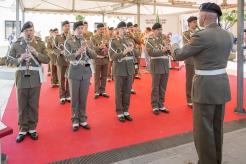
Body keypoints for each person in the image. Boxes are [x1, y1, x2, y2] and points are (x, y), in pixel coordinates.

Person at [172, 3, 233, 164]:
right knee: (217, 128)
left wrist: (173, 43)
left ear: (204, 16)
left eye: (199, 15)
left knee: (203, 131)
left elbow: (179, 55)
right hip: (221, 85)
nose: (198, 18)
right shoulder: (227, 34)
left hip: (205, 88)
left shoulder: (201, 35)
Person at [7, 21, 50, 142]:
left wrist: (36, 53)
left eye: (31, 30)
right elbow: (9, 61)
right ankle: (22, 129)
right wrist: (20, 58)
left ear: (34, 31)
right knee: (22, 105)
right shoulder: (16, 44)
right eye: (26, 31)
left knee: (33, 104)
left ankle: (32, 128)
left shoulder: (40, 43)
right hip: (21, 77)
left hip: (35, 78)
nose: (29, 33)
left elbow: (47, 59)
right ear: (23, 32)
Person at [64, 21, 97, 131]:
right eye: (78, 28)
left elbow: (94, 55)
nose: (80, 30)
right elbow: (67, 57)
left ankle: (82, 119)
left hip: (86, 72)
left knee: (83, 97)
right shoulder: (68, 41)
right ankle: (75, 120)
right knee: (74, 98)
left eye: (82, 28)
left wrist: (87, 48)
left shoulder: (87, 41)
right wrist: (78, 52)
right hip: (74, 72)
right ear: (74, 30)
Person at [109, 21, 135, 122]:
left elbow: (136, 53)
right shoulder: (113, 41)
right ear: (118, 30)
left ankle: (126, 110)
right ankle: (119, 112)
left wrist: (132, 50)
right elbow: (112, 56)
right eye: (122, 28)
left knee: (127, 91)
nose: (124, 30)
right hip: (119, 69)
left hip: (129, 69)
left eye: (125, 28)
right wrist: (124, 52)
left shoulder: (130, 40)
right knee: (119, 92)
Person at [146, 23, 170, 115]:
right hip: (156, 64)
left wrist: (169, 48)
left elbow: (168, 49)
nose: (160, 31)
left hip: (165, 64)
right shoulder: (150, 40)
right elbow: (151, 52)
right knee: (155, 87)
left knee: (163, 86)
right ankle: (155, 105)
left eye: (161, 29)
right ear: (153, 30)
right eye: (158, 30)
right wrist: (162, 51)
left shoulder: (164, 39)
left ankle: (161, 104)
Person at [182, 16, 198, 108]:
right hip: (190, 60)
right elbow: (190, 44)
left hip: (199, 60)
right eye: (193, 22)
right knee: (190, 80)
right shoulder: (186, 33)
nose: (195, 24)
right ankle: (189, 99)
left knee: (198, 80)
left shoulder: (200, 32)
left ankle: (196, 98)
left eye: (196, 22)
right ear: (189, 23)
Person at [91, 23, 110, 99]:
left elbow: (109, 45)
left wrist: (107, 48)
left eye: (103, 29)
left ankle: (103, 90)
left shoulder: (106, 37)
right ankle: (96, 91)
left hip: (105, 58)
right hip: (97, 59)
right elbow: (91, 48)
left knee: (104, 76)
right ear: (97, 29)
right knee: (97, 76)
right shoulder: (93, 37)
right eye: (101, 29)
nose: (102, 30)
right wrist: (99, 47)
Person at [54, 20, 71, 104]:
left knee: (69, 78)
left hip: (70, 62)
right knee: (61, 79)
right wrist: (60, 52)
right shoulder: (57, 37)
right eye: (65, 26)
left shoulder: (72, 37)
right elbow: (54, 48)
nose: (67, 27)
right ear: (62, 27)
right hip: (60, 61)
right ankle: (62, 96)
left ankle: (68, 95)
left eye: (68, 26)